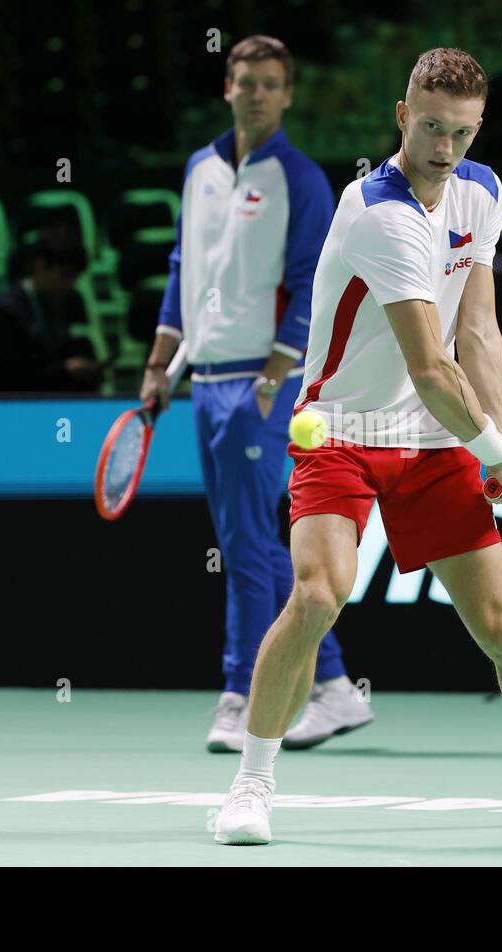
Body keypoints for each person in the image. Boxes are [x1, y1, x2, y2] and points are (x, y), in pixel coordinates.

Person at [213, 48, 502, 845]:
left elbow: (479, 333)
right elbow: (428, 366)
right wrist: (496, 458)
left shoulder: (481, 192)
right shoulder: (377, 211)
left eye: (461, 132)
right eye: (430, 127)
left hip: (432, 438)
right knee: (319, 593)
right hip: (343, 430)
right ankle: (250, 785)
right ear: (401, 115)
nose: (444, 147)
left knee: (500, 625)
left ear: (478, 127)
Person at [142, 35, 374, 753]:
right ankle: (334, 689)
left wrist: (273, 381)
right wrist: (159, 364)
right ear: (227, 87)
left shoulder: (302, 181)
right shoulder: (198, 170)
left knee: (244, 548)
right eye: (245, 81)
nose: (257, 93)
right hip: (201, 383)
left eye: (271, 83)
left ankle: (240, 696)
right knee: (249, 543)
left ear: (288, 94)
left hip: (258, 388)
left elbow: (312, 284)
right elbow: (185, 264)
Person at [0, 224, 104, 392]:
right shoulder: (6, 313)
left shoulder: (61, 303)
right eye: (65, 275)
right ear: (40, 265)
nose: (70, 285)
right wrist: (64, 370)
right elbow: (8, 381)